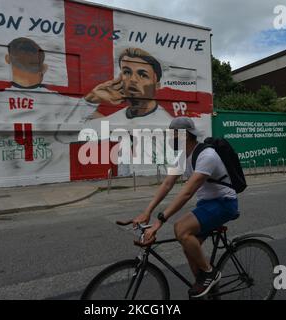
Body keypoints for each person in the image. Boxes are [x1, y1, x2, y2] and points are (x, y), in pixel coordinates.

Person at [0, 37, 99, 185]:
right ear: (44, 67)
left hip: (4, 183)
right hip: (53, 182)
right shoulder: (66, 103)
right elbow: (104, 125)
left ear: (7, 59)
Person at [132, 117, 239, 298]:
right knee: (188, 245)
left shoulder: (207, 155)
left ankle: (209, 274)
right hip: (206, 203)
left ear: (186, 135)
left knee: (180, 228)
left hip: (224, 203)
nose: (170, 138)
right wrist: (147, 211)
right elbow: (167, 184)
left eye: (173, 134)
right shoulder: (183, 155)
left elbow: (187, 193)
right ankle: (207, 289)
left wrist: (160, 221)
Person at [85, 47, 172, 125]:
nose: (133, 79)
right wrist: (90, 100)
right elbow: (77, 132)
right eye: (127, 72)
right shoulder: (115, 120)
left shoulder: (167, 125)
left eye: (142, 75)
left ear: (157, 86)